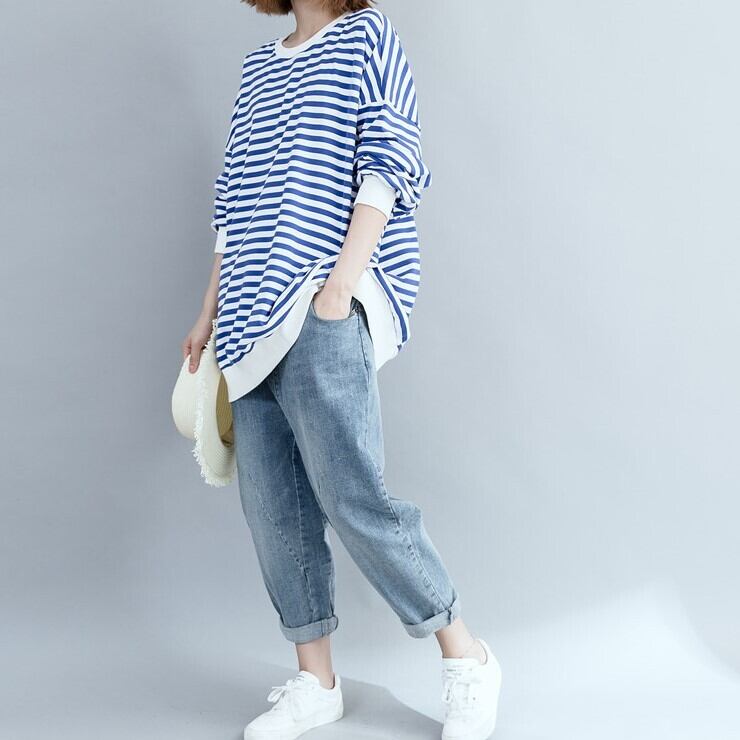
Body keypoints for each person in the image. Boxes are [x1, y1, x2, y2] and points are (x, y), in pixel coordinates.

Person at [182, 1, 502, 738]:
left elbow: (389, 161)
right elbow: (234, 202)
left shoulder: (367, 35)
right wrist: (208, 311)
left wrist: (340, 288)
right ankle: (316, 681)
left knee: (352, 494)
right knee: (273, 510)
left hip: (318, 300)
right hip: (247, 317)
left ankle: (467, 656)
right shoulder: (259, 66)